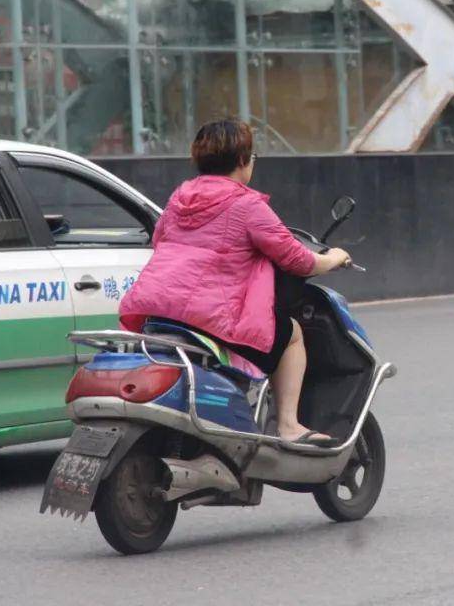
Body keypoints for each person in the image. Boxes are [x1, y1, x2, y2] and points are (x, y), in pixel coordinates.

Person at [120, 119, 351, 446]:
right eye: (252, 157)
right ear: (243, 161)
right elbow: (296, 259)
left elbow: (160, 241)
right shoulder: (247, 205)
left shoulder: (180, 199)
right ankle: (288, 425)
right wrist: (334, 258)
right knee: (293, 334)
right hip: (208, 317)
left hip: (159, 312)